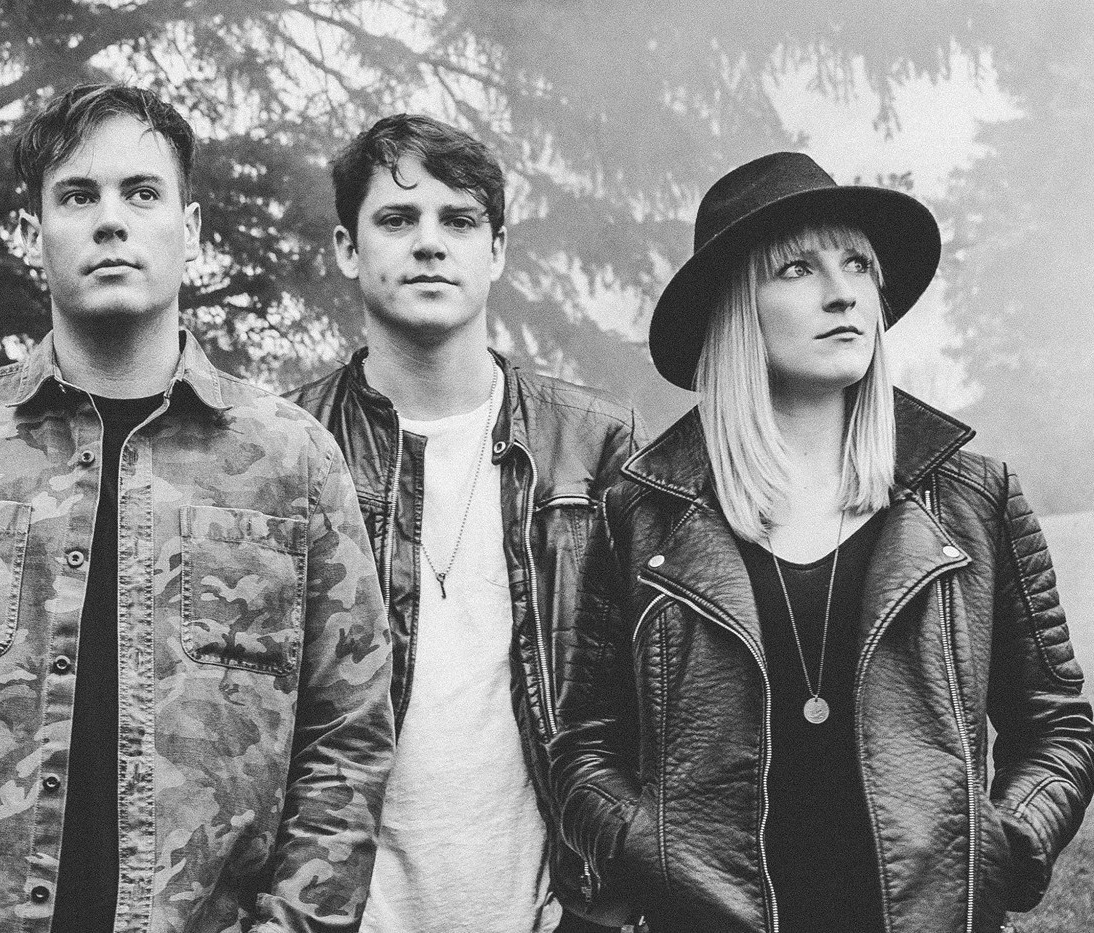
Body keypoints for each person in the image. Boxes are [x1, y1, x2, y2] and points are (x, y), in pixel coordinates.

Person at [0, 84, 394, 933]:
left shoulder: (293, 462)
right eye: (78, 196)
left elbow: (347, 742)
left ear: (190, 229)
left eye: (142, 193)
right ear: (32, 232)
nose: (111, 220)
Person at [549, 151, 1094, 933]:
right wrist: (647, 852)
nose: (843, 292)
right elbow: (586, 747)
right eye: (798, 268)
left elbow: (1057, 725)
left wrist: (1000, 845)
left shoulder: (973, 498)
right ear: (735, 310)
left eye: (858, 264)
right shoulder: (641, 517)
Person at [287, 114, 643, 932]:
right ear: (348, 248)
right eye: (396, 218)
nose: (429, 243)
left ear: (498, 249)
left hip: (555, 912)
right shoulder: (290, 444)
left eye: (458, 219)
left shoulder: (593, 443)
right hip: (341, 915)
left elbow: (647, 700)